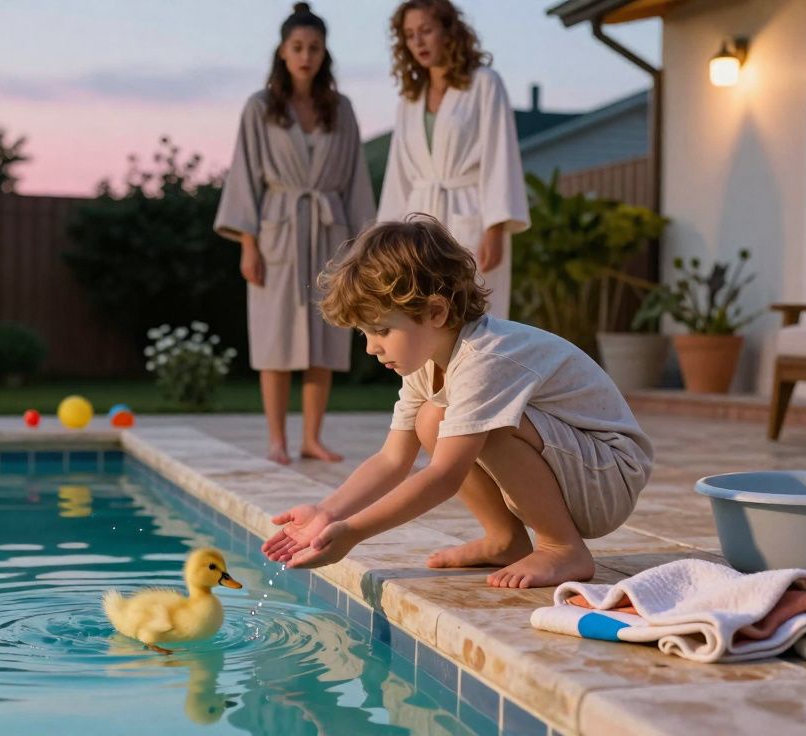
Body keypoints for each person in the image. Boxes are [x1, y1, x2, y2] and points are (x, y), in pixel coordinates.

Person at [262, 217, 653, 588]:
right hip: (576, 467)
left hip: (607, 475)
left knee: (487, 425)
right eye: (364, 333)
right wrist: (329, 514)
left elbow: (445, 476)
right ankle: (505, 540)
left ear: (435, 311)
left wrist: (354, 532)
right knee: (433, 419)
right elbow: (391, 460)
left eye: (381, 329)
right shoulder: (427, 359)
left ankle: (562, 548)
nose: (371, 347)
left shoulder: (486, 358)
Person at [215, 2, 377, 465]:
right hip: (277, 234)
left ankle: (311, 437)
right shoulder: (260, 107)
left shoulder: (340, 109)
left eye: (315, 48)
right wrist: (247, 243)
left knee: (326, 337)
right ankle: (277, 441)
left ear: (325, 54)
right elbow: (245, 175)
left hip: (330, 230)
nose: (306, 55)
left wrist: (361, 247)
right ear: (282, 52)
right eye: (298, 47)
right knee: (274, 339)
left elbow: (356, 181)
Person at [378, 0, 528, 320]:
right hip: (418, 222)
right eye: (409, 34)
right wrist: (387, 238)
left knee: (471, 315)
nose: (417, 41)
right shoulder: (410, 98)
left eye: (426, 30)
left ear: (449, 31)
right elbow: (399, 174)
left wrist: (496, 228)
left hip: (469, 213)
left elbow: (501, 154)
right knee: (419, 317)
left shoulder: (484, 83)